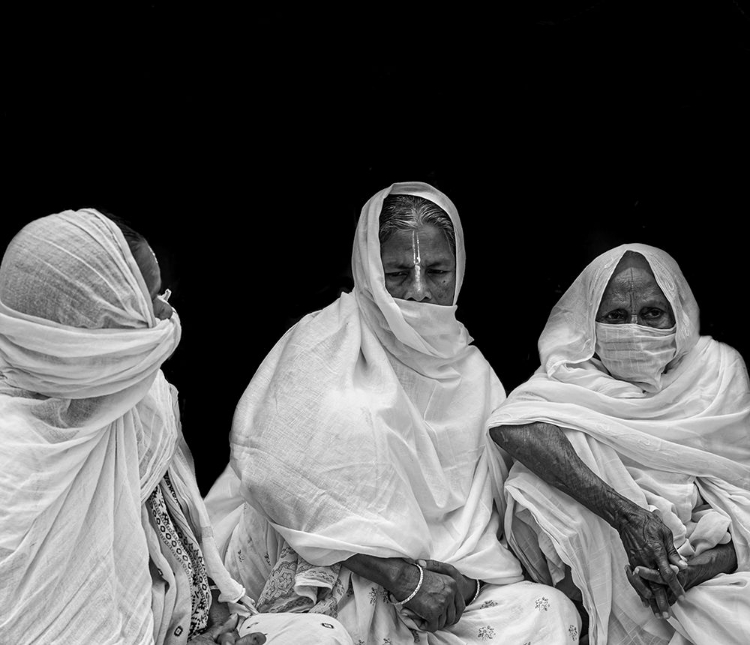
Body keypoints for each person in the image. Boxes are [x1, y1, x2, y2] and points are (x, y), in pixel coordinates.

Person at [205, 182, 582, 644]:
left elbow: (491, 522)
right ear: (367, 270)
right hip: (327, 568)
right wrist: (402, 579)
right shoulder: (322, 344)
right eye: (398, 273)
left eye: (438, 271)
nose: (420, 292)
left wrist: (464, 583)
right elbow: (273, 478)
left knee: (546, 612)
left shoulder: (475, 375)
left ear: (459, 270)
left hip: (448, 585)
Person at [0, 208, 337, 644]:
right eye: (145, 305)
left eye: (165, 296)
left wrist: (212, 620)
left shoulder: (146, 399)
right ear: (87, 332)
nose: (166, 315)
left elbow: (180, 541)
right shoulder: (14, 463)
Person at [487, 243, 750, 645]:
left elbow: (743, 503)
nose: (633, 329)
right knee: (549, 463)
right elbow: (510, 426)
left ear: (678, 315)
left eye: (651, 314)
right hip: (605, 579)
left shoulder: (716, 375)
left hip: (706, 573)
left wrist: (688, 571)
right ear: (587, 326)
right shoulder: (570, 380)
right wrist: (629, 518)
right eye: (614, 316)